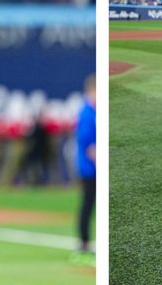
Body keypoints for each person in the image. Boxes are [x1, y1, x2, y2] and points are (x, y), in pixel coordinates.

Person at [71, 73, 96, 265]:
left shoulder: (93, 111)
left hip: (93, 168)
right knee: (87, 206)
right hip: (90, 170)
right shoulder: (87, 113)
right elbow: (90, 148)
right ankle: (84, 244)